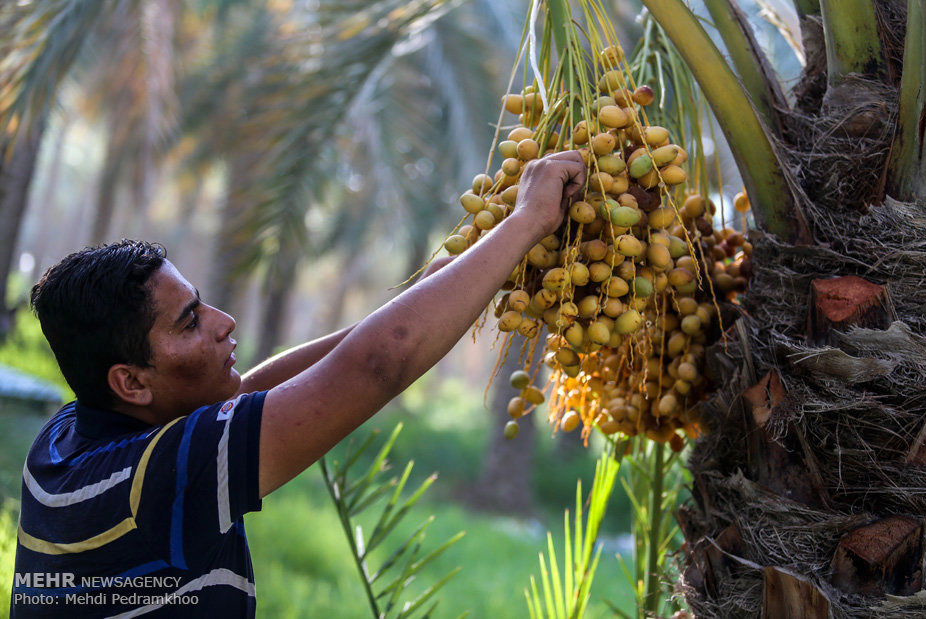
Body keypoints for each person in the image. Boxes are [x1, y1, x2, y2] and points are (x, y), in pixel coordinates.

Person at [9, 150, 585, 617]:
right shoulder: (147, 487)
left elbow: (250, 398)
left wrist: (435, 286)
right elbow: (376, 367)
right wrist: (529, 220)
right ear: (131, 382)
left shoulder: (64, 442)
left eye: (200, 304)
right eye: (190, 322)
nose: (223, 323)